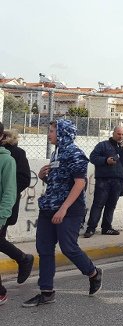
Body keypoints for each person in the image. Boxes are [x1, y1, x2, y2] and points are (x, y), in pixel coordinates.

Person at [24, 120, 103, 307]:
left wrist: (64, 208)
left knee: (68, 247)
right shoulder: (56, 153)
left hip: (70, 210)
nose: (49, 134)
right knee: (44, 248)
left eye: (52, 131)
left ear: (63, 133)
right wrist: (44, 177)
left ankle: (93, 273)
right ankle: (47, 292)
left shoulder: (76, 154)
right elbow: (58, 184)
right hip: (48, 207)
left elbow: (80, 183)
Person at [0, 126, 35, 301]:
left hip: (5, 205)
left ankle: (23, 259)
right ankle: (23, 259)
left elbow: (23, 179)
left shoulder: (15, 154)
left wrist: (8, 192)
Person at [85, 125, 123, 237]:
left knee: (111, 205)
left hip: (118, 182)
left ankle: (106, 228)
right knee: (98, 204)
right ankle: (91, 228)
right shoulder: (103, 145)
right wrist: (106, 160)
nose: (121, 136)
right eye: (118, 134)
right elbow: (93, 157)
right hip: (103, 180)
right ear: (113, 133)